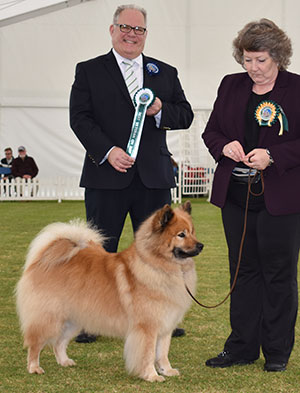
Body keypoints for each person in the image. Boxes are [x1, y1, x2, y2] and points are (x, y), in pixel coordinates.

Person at [70, 4, 193, 343]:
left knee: (160, 250)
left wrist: (159, 110)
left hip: (153, 178)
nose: (131, 34)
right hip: (106, 176)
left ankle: (163, 313)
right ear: (112, 30)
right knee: (97, 252)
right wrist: (108, 152)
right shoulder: (89, 70)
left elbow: (184, 115)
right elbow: (80, 119)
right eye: (125, 27)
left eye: (138, 29)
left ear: (145, 35)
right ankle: (91, 320)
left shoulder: (164, 72)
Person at [202, 19, 300, 372]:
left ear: (278, 56)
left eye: (261, 60)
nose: (253, 68)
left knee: (279, 274)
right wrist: (222, 146)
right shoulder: (230, 86)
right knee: (242, 272)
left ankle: (276, 352)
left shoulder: (297, 88)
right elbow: (210, 131)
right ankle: (241, 347)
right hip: (237, 195)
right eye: (247, 60)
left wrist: (274, 156)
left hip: (281, 199)